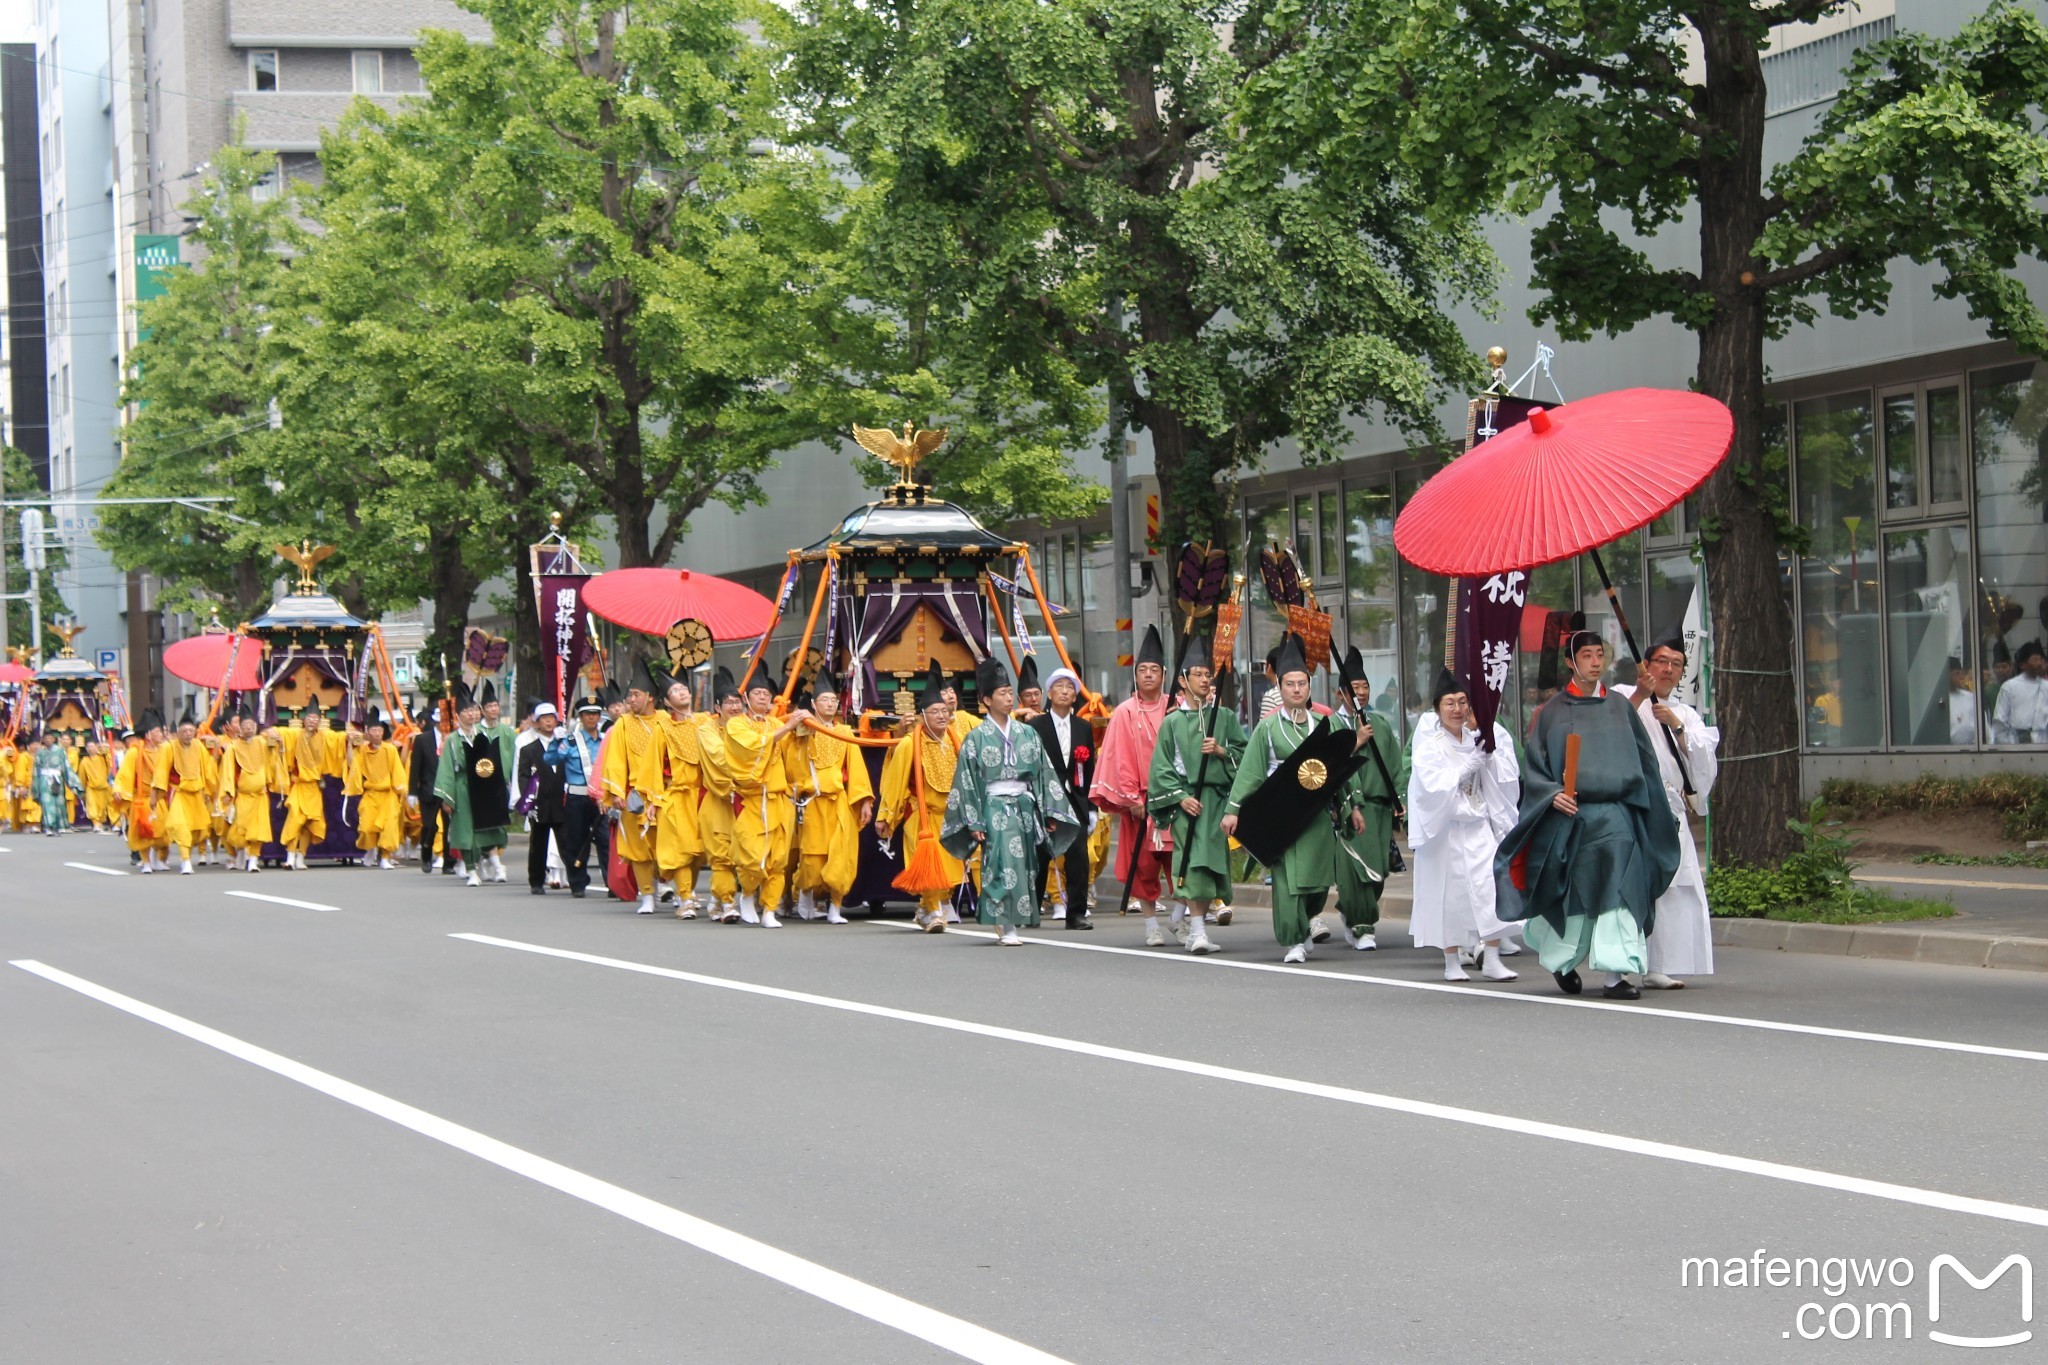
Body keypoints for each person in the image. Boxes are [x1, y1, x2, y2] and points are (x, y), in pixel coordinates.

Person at [1494, 629, 1680, 999]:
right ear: (1570, 661)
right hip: (1572, 816)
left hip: (1619, 815)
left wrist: (1652, 808)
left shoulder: (1620, 707)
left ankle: (1616, 974)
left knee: (1621, 888)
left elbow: (1645, 763)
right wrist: (1551, 796)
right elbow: (1535, 768)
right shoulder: (1552, 713)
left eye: (1600, 654)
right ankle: (1562, 962)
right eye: (1587, 655)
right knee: (1576, 894)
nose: (1596, 662)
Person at [1221, 635, 1368, 964]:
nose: (1297, 690)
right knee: (1288, 880)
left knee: (1316, 880)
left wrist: (1353, 806)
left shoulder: (1323, 724)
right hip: (1281, 813)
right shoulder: (1268, 729)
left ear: (1309, 686)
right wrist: (1233, 811)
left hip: (1315, 813)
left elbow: (1338, 771)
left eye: (1302, 683)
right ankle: (1293, 940)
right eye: (1290, 684)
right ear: (1281, 688)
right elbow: (1251, 772)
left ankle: (1307, 921)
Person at [941, 655, 1081, 945]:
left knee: (1026, 865)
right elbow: (966, 781)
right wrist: (973, 819)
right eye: (1001, 694)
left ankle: (1016, 919)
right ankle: (1004, 924)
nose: (1007, 699)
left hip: (1024, 806)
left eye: (1008, 693)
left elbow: (1043, 774)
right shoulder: (976, 738)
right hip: (993, 806)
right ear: (986, 701)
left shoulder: (1027, 732)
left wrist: (1049, 813)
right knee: (999, 862)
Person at [1614, 623, 1720, 989]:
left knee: (1674, 884)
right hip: (1635, 806)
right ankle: (1627, 960)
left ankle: (1660, 963)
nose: (1668, 670)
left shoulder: (1685, 714)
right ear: (1645, 666)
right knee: (1634, 884)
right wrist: (1640, 699)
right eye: (1661, 661)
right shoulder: (1623, 696)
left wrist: (1677, 727)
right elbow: (1608, 729)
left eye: (1676, 663)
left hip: (1671, 807)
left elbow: (1703, 762)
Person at [1407, 669, 1521, 981]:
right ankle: (1452, 962)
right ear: (1437, 709)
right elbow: (1429, 786)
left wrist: (1490, 756)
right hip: (1446, 829)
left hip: (1478, 824)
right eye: (1449, 703)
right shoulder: (1430, 746)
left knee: (1490, 887)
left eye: (1462, 702)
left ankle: (1493, 956)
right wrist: (1465, 767)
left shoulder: (1479, 738)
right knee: (1450, 895)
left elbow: (1502, 781)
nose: (1457, 709)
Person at [1144, 633, 1243, 954]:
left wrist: (1222, 751)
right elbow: (1160, 768)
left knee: (1211, 862)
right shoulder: (1173, 722)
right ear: (1183, 681)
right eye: (1197, 675)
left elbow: (1246, 758)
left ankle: (1189, 921)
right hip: (1189, 802)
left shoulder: (1225, 718)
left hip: (1217, 802)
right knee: (1195, 863)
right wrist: (1177, 797)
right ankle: (1198, 929)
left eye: (1207, 674)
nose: (1205, 680)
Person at [1090, 624, 1173, 943]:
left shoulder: (1176, 708)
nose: (1149, 675)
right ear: (1136, 675)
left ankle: (1181, 917)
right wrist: (1131, 799)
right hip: (1141, 802)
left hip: (1174, 801)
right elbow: (1119, 757)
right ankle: (1152, 925)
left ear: (1164, 674)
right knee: (1144, 867)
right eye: (1143, 670)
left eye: (1154, 669)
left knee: (1179, 863)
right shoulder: (1125, 712)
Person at [876, 661, 967, 932]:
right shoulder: (909, 744)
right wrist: (886, 816)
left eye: (944, 711)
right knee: (929, 867)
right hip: (923, 817)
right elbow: (894, 783)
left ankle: (928, 909)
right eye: (934, 712)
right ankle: (934, 910)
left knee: (950, 869)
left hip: (951, 817)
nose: (941, 716)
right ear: (923, 716)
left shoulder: (956, 740)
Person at [1329, 647, 1403, 952]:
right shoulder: (1333, 725)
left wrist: (1400, 802)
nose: (1360, 693)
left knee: (1377, 871)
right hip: (1348, 808)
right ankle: (1363, 926)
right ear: (1339, 694)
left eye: (1364, 687)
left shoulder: (1381, 724)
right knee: (1354, 870)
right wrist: (1356, 742)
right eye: (1353, 689)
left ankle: (1352, 908)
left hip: (1380, 808)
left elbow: (1395, 765)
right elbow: (1327, 765)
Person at [787, 671, 874, 924]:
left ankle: (835, 906)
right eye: (824, 700)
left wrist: (865, 801)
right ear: (814, 704)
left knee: (841, 855)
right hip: (812, 803)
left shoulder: (845, 731)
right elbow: (793, 762)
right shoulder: (803, 731)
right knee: (812, 857)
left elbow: (856, 768)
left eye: (833, 700)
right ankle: (805, 893)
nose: (830, 704)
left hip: (839, 803)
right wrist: (798, 730)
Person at [723, 671, 807, 926]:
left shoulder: (776, 724)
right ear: (747, 699)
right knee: (751, 854)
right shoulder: (736, 724)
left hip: (779, 799)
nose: (763, 697)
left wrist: (804, 719)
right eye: (757, 694)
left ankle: (769, 909)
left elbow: (796, 746)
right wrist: (788, 727)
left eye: (767, 695)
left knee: (778, 858)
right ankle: (747, 895)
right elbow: (751, 748)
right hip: (752, 799)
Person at [1029, 666, 1098, 929]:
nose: (1065, 691)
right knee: (1040, 857)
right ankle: (1033, 909)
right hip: (1044, 802)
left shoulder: (1082, 727)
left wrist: (1091, 807)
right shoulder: (1035, 726)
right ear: (1049, 691)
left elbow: (1089, 767)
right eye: (1060, 685)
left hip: (1075, 801)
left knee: (1079, 857)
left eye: (1070, 687)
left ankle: (1077, 913)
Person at [601, 659, 669, 915]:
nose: (630, 700)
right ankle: (647, 895)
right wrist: (617, 791)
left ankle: (668, 884)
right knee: (639, 849)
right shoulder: (623, 724)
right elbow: (616, 759)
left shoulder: (665, 719)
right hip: (636, 796)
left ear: (650, 698)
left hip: (664, 793)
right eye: (629, 695)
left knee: (667, 844)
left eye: (635, 695)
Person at [433, 684, 511, 887]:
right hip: (462, 786)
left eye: (474, 709)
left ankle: (494, 863)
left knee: (488, 827)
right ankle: (470, 869)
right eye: (466, 711)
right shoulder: (451, 740)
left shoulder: (483, 735)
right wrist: (446, 797)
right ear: (458, 715)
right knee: (466, 829)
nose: (471, 713)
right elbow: (447, 769)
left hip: (483, 787)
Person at [695, 669, 746, 920]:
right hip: (719, 799)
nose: (734, 707)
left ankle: (717, 898)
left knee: (745, 853)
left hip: (747, 798)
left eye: (738, 702)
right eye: (729, 702)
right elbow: (719, 757)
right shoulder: (707, 730)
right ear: (717, 706)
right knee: (722, 855)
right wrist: (748, 766)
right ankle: (728, 903)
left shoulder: (751, 727)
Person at [544, 697, 608, 898]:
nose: (592, 718)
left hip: (601, 798)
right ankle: (578, 883)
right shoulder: (570, 740)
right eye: (587, 714)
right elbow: (550, 760)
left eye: (595, 714)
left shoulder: (607, 739)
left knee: (606, 840)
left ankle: (612, 882)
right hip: (577, 797)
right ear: (580, 717)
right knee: (576, 841)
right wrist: (555, 741)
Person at [656, 680, 707, 916]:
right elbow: (652, 766)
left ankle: (688, 891)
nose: (682, 692)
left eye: (684, 688)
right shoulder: (662, 729)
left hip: (704, 795)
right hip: (676, 795)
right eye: (674, 691)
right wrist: (652, 799)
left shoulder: (706, 722)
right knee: (681, 850)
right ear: (667, 702)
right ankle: (685, 897)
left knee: (699, 852)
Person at [278, 705, 348, 871]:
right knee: (294, 820)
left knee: (310, 824)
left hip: (315, 788)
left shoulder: (324, 736)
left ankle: (301, 856)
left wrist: (351, 735)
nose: (312, 721)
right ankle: (290, 857)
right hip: (299, 786)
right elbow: (277, 732)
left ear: (319, 721)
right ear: (304, 720)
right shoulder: (295, 734)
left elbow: (339, 738)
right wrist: (273, 733)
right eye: (309, 718)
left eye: (315, 719)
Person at [345, 708, 409, 869]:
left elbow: (397, 770)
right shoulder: (362, 750)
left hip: (388, 795)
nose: (377, 733)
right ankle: (370, 850)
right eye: (374, 730)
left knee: (388, 828)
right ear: (367, 731)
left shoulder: (390, 749)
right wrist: (349, 745)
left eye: (380, 730)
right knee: (367, 827)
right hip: (371, 794)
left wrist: (402, 789)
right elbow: (353, 765)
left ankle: (385, 858)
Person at [154, 713, 217, 873]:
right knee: (180, 825)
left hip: (196, 794)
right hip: (179, 793)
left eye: (191, 731)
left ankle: (188, 855)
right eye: (184, 731)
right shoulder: (169, 747)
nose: (188, 734)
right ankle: (185, 861)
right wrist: (156, 794)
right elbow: (161, 771)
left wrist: (212, 792)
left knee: (196, 830)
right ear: (178, 732)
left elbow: (207, 769)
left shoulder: (199, 746)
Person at [517, 702, 568, 894]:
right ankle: (536, 881)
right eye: (544, 718)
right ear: (536, 722)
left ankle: (575, 879)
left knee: (566, 842)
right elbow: (523, 777)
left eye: (552, 717)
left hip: (561, 801)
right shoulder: (528, 750)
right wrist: (527, 802)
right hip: (540, 802)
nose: (548, 721)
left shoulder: (565, 745)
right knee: (538, 844)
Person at [218, 708, 275, 873]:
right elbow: (228, 771)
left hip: (260, 795)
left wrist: (275, 744)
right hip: (243, 796)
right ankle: (241, 853)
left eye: (252, 725)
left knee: (258, 830)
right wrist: (228, 792)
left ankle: (253, 860)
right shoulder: (233, 748)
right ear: (240, 728)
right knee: (241, 829)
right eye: (245, 725)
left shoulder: (263, 743)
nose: (249, 728)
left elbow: (272, 761)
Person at [474, 683, 520, 883]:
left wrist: (513, 783)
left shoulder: (507, 732)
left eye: (496, 706)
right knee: (484, 825)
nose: (494, 709)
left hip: (502, 785)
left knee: (500, 827)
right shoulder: (475, 731)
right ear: (482, 710)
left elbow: (515, 758)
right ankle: (492, 862)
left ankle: (490, 858)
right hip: (481, 787)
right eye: (489, 706)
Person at [1990, 641, 2048, 745]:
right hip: (2017, 745)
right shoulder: (2009, 687)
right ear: (2022, 665)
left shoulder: (2046, 686)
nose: (2039, 664)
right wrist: (2010, 745)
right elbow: (2000, 722)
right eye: (2034, 660)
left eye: (2040, 660)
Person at [79, 738, 112, 832]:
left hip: (103, 786)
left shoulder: (102, 758)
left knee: (102, 807)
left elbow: (110, 763)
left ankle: (100, 823)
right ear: (86, 749)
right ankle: (96, 824)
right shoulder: (84, 761)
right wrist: (82, 789)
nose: (91, 748)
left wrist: (104, 747)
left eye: (92, 746)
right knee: (92, 807)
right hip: (91, 787)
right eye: (88, 746)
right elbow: (82, 776)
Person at [1947, 658, 1979, 746]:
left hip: (1972, 748)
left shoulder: (1969, 697)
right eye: (1957, 673)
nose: (1961, 677)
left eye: (1962, 673)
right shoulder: (1942, 699)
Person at [1013, 655, 1045, 722]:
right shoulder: (1013, 720)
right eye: (1028, 695)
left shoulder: (1048, 719)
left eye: (1036, 694)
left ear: (1042, 695)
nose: (1034, 699)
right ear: (1019, 699)